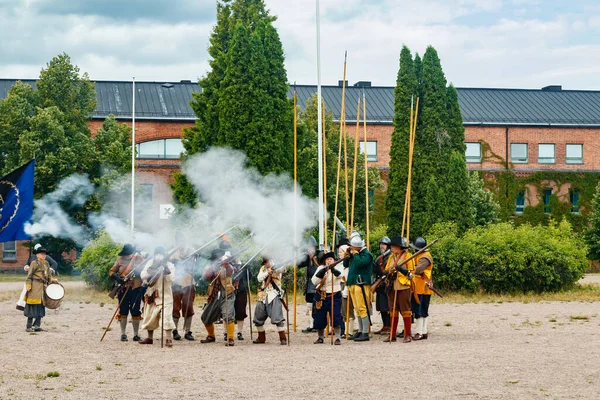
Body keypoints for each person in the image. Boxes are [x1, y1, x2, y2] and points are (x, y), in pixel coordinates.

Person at [139, 247, 176, 347]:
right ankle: (149, 338)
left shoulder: (170, 265)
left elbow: (172, 279)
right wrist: (152, 270)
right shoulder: (150, 263)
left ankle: (168, 338)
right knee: (149, 316)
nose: (159, 256)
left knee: (166, 317)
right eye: (157, 254)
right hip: (152, 294)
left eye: (161, 254)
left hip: (166, 295)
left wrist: (165, 270)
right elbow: (143, 275)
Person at [108, 244, 146, 342]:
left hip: (136, 288)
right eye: (126, 254)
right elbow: (112, 272)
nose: (127, 256)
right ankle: (123, 334)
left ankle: (136, 334)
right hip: (123, 288)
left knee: (135, 311)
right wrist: (118, 278)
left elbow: (146, 271)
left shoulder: (140, 259)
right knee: (123, 311)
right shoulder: (120, 260)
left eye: (129, 254)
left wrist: (138, 273)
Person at [200, 248, 236, 346]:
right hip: (214, 295)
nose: (218, 259)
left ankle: (230, 338)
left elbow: (231, 271)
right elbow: (204, 278)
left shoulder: (227, 265)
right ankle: (211, 336)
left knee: (228, 316)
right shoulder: (210, 266)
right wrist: (212, 269)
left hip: (227, 293)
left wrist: (225, 265)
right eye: (216, 258)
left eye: (219, 257)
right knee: (206, 318)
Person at [343, 232, 373, 342]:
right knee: (357, 308)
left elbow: (361, 264)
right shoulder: (354, 254)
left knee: (362, 307)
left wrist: (355, 254)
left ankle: (365, 332)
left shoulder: (367, 254)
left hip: (361, 283)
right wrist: (348, 255)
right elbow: (345, 264)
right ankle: (360, 331)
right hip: (352, 283)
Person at [384, 236, 415, 343]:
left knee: (406, 311)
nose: (392, 248)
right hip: (392, 286)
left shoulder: (408, 256)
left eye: (394, 246)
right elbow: (387, 270)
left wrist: (401, 269)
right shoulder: (391, 257)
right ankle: (392, 335)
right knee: (392, 311)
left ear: (400, 247)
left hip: (403, 286)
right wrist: (387, 272)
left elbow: (411, 274)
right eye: (392, 246)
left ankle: (408, 335)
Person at [253, 257, 288, 345]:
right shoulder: (263, 269)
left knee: (277, 318)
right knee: (258, 317)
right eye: (265, 262)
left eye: (268, 261)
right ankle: (261, 338)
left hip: (274, 294)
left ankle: (283, 338)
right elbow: (259, 278)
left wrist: (286, 263)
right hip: (263, 295)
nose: (267, 263)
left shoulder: (277, 267)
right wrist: (267, 273)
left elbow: (283, 269)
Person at [311, 252, 344, 345]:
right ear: (325, 261)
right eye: (327, 259)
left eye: (331, 259)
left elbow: (340, 276)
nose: (329, 261)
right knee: (319, 317)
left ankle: (337, 337)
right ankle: (320, 337)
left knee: (336, 316)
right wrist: (322, 273)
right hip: (321, 295)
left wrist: (332, 269)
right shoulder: (320, 268)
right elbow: (314, 281)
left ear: (334, 260)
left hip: (334, 295)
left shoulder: (338, 267)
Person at [170, 233, 196, 341]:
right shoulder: (172, 252)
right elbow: (168, 265)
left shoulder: (191, 250)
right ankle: (174, 330)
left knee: (188, 307)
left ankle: (187, 331)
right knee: (175, 307)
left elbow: (194, 262)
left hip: (188, 282)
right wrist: (173, 262)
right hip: (176, 282)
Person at [23, 247, 56, 332]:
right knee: (32, 306)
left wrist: (53, 280)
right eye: (41, 253)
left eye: (44, 254)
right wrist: (28, 285)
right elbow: (29, 276)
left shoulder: (46, 264)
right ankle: (29, 326)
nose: (43, 255)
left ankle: (37, 326)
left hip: (42, 288)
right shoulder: (34, 263)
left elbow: (48, 276)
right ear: (37, 255)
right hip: (34, 287)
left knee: (41, 306)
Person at [17, 243, 58, 311]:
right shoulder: (32, 259)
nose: (42, 255)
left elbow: (54, 264)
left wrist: (50, 270)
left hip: (42, 281)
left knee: (42, 295)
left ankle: (40, 310)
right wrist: (26, 267)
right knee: (26, 293)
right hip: (32, 280)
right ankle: (24, 306)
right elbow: (26, 265)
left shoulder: (46, 259)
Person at [411, 237, 433, 340]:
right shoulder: (419, 255)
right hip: (420, 286)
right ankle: (423, 331)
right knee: (421, 309)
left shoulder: (425, 257)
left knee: (420, 310)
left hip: (422, 287)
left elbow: (418, 270)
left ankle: (420, 332)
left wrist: (409, 269)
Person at [297, 236, 319, 333]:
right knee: (310, 305)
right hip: (310, 284)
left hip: (318, 283)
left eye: (312, 248)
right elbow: (298, 264)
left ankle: (317, 325)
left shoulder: (320, 255)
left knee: (317, 306)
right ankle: (311, 325)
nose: (311, 249)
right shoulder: (307, 257)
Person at [229, 241, 250, 341]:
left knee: (241, 312)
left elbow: (249, 278)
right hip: (229, 290)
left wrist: (247, 269)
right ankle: (227, 333)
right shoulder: (227, 265)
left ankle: (239, 332)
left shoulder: (243, 264)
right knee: (229, 312)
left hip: (241, 290)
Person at [373, 236, 392, 335]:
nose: (382, 246)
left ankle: (390, 326)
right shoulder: (379, 258)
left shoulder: (391, 257)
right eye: (381, 244)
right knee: (381, 307)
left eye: (383, 244)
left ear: (388, 246)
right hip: (380, 284)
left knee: (388, 307)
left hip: (388, 284)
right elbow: (375, 271)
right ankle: (385, 326)